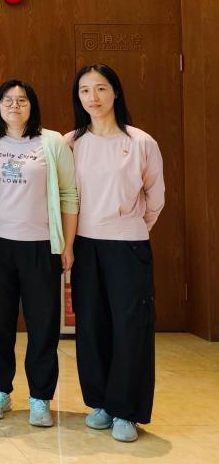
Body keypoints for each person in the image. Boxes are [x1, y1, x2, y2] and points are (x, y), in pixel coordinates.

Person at [67, 64, 164, 443]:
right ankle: (101, 403)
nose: (93, 97)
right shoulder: (71, 142)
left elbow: (155, 199)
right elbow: (65, 198)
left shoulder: (140, 142)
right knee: (91, 325)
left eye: (101, 88)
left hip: (128, 245)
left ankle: (127, 410)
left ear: (116, 92)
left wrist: (129, 228)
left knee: (130, 327)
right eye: (85, 90)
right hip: (84, 245)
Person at [0, 80, 78, 428]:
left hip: (41, 246)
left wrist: (67, 244)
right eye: (7, 100)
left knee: (43, 324)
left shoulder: (53, 142)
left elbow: (69, 194)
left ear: (32, 105)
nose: (14, 105)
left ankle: (40, 398)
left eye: (22, 100)